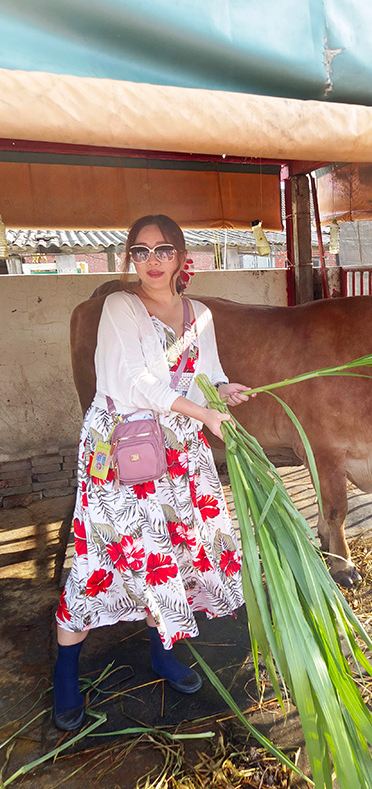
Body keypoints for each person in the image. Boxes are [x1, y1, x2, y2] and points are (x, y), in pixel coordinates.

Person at [53, 215, 250, 731]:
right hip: (124, 450)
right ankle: (66, 673)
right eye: (141, 252)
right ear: (129, 260)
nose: (153, 260)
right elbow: (135, 383)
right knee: (106, 554)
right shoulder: (121, 306)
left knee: (170, 554)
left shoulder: (199, 313)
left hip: (179, 449)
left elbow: (207, 373)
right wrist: (202, 413)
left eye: (164, 249)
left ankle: (162, 654)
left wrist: (223, 392)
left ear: (183, 257)